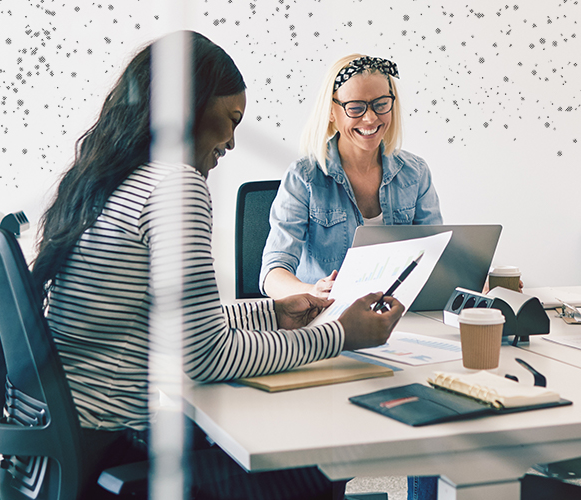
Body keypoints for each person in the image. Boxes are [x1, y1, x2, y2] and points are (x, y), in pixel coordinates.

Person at [32, 31, 406, 499]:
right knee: (318, 468)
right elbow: (208, 356)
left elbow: (175, 319)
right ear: (187, 107)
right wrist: (341, 334)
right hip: (118, 454)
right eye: (230, 120)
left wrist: (277, 311)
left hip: (67, 448)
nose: (230, 142)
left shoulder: (111, 178)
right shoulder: (176, 188)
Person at [260, 54, 443, 299]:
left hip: (397, 315)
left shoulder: (415, 173)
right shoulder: (303, 177)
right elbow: (273, 273)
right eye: (355, 107)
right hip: (326, 321)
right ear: (331, 111)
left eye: (380, 104)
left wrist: (478, 281)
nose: (370, 118)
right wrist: (312, 291)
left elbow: (438, 256)